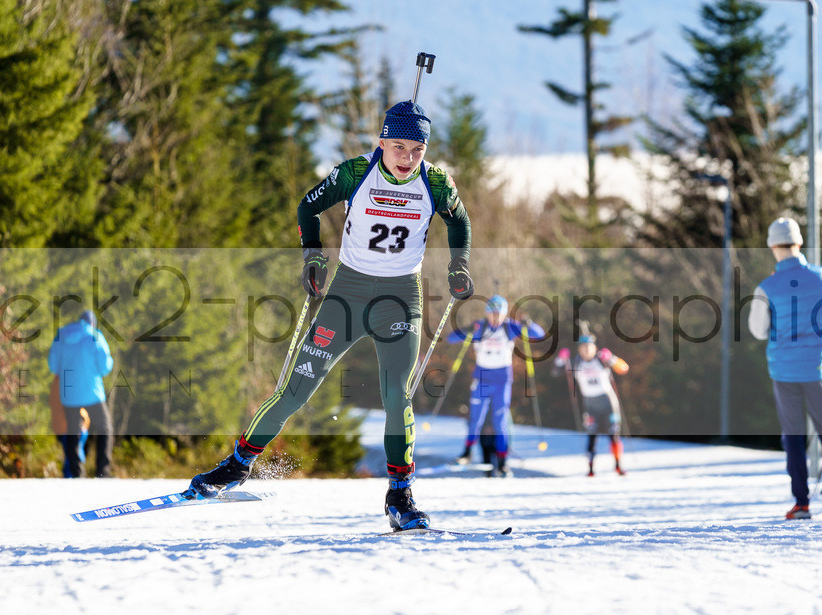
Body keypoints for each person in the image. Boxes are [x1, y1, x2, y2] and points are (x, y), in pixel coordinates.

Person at [187, 100, 474, 531]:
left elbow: (460, 222)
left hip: (400, 299)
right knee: (295, 390)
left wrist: (459, 265)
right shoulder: (356, 172)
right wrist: (313, 256)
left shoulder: (435, 182)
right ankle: (238, 464)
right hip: (348, 295)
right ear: (382, 142)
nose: (407, 157)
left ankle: (400, 495)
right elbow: (308, 207)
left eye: (417, 149)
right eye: (399, 147)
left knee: (397, 396)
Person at [747, 217, 822, 519]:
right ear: (799, 242)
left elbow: (758, 330)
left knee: (793, 435)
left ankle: (801, 503)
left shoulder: (767, 286)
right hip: (817, 368)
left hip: (783, 370)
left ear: (772, 246)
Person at [447, 295, 545, 477]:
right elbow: (451, 339)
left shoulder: (509, 327)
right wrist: (466, 329)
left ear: (504, 314)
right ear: (487, 313)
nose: (495, 317)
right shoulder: (480, 327)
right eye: (492, 313)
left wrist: (528, 324)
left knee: (500, 422)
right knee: (476, 419)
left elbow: (539, 334)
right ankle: (467, 453)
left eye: (499, 313)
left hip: (502, 380)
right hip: (482, 378)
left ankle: (502, 463)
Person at [554, 322, 629, 477]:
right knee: (592, 435)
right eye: (583, 348)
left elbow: (624, 368)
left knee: (613, 434)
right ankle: (590, 468)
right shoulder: (576, 362)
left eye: (589, 347)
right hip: (590, 404)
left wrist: (612, 359)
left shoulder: (601, 360)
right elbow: (555, 372)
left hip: (608, 402)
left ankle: (618, 465)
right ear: (579, 349)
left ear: (595, 347)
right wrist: (561, 359)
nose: (587, 350)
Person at [48, 309, 115, 478]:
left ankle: (76, 472)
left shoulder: (61, 336)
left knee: (73, 430)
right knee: (105, 427)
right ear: (92, 323)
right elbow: (105, 367)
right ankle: (103, 471)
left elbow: (53, 366)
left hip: (68, 393)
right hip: (92, 391)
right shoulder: (95, 336)